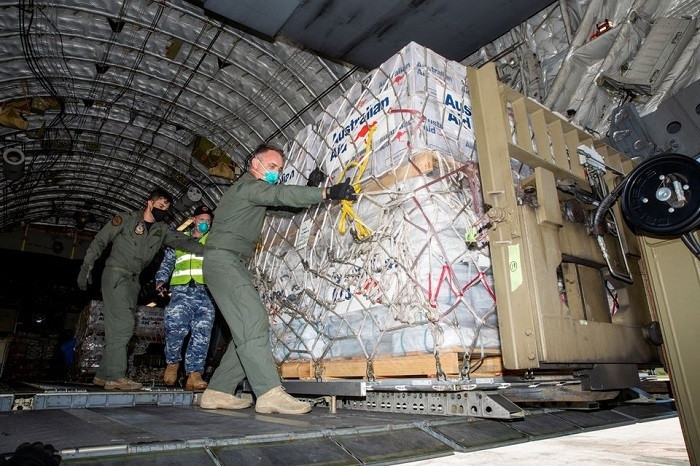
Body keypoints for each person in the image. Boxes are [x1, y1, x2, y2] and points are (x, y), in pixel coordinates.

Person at [199, 144, 355, 414]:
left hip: (231, 261)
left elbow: (284, 208)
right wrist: (326, 192)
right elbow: (281, 193)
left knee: (247, 330)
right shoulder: (247, 186)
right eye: (272, 167)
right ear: (254, 164)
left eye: (280, 169)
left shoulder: (255, 192)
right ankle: (269, 393)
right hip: (222, 260)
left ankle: (218, 391)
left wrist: (308, 187)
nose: (276, 173)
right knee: (254, 321)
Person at [77, 188, 204, 391]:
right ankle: (116, 377)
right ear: (149, 203)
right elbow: (100, 241)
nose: (163, 210)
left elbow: (185, 243)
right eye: (160, 206)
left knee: (116, 328)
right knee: (125, 325)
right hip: (116, 275)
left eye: (166, 208)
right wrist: (86, 267)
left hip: (133, 282)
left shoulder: (161, 230)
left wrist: (213, 249)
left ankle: (102, 375)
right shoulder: (126, 220)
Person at [154, 205, 215, 390]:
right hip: (181, 292)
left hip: (206, 293)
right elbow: (167, 263)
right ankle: (172, 365)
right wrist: (160, 281)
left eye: (207, 220)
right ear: (194, 220)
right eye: (201, 219)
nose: (204, 223)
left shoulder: (212, 240)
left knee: (202, 335)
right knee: (175, 330)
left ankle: (194, 375)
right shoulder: (180, 239)